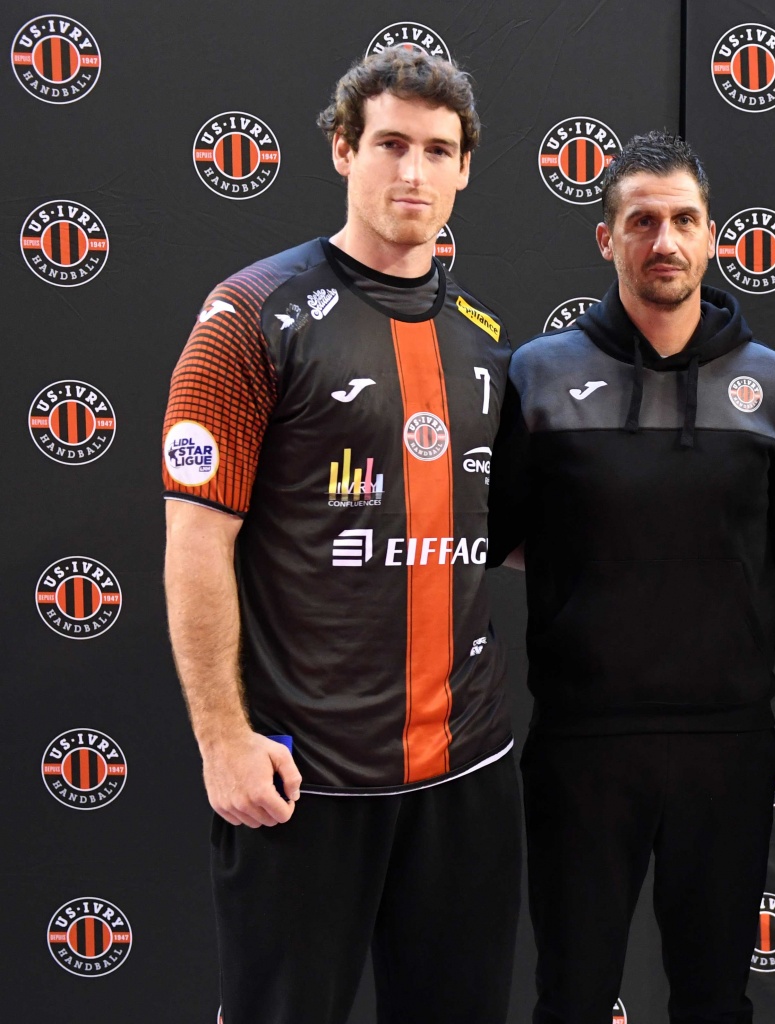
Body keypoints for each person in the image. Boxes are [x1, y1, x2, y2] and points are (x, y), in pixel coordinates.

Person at [161, 48, 519, 1024]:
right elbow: (195, 541)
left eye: (437, 150)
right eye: (390, 144)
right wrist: (223, 739)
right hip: (301, 778)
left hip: (466, 774)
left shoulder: (485, 335)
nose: (413, 172)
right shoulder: (249, 314)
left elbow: (509, 530)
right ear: (342, 150)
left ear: (465, 168)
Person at [487, 130, 775, 1024]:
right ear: (606, 237)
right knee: (573, 996)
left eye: (682, 220)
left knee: (713, 1000)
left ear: (712, 236)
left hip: (727, 743)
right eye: (640, 221)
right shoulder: (538, 373)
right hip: (582, 742)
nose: (663, 241)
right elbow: (504, 533)